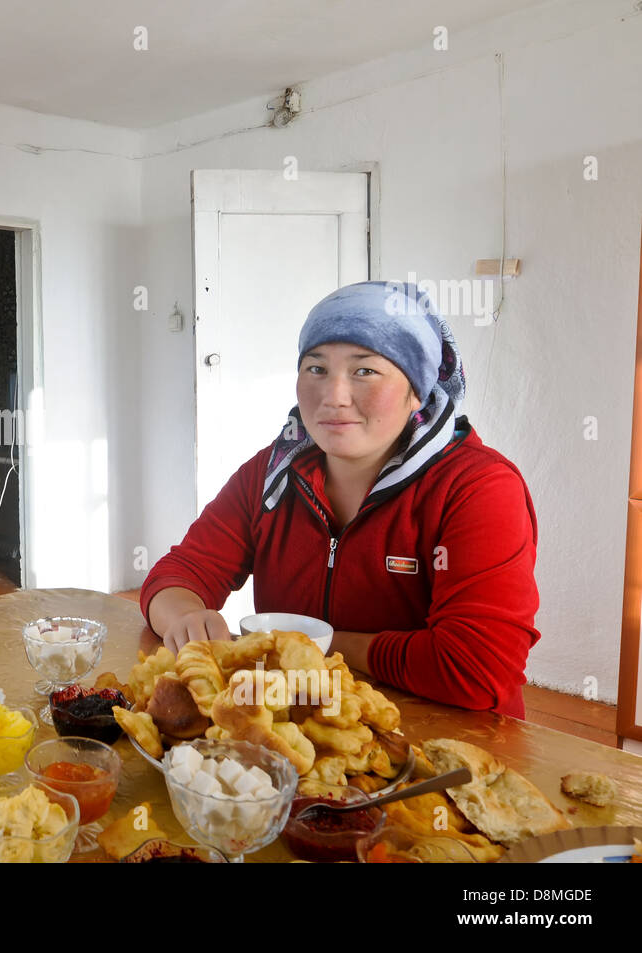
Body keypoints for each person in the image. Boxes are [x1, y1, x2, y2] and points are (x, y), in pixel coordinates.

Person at [140, 281, 539, 718]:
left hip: (449, 748)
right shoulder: (274, 472)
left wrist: (310, 646)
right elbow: (180, 573)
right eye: (316, 369)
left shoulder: (476, 488)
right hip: (305, 737)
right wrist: (182, 616)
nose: (334, 397)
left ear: (417, 390)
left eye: (365, 371)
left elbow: (476, 669)